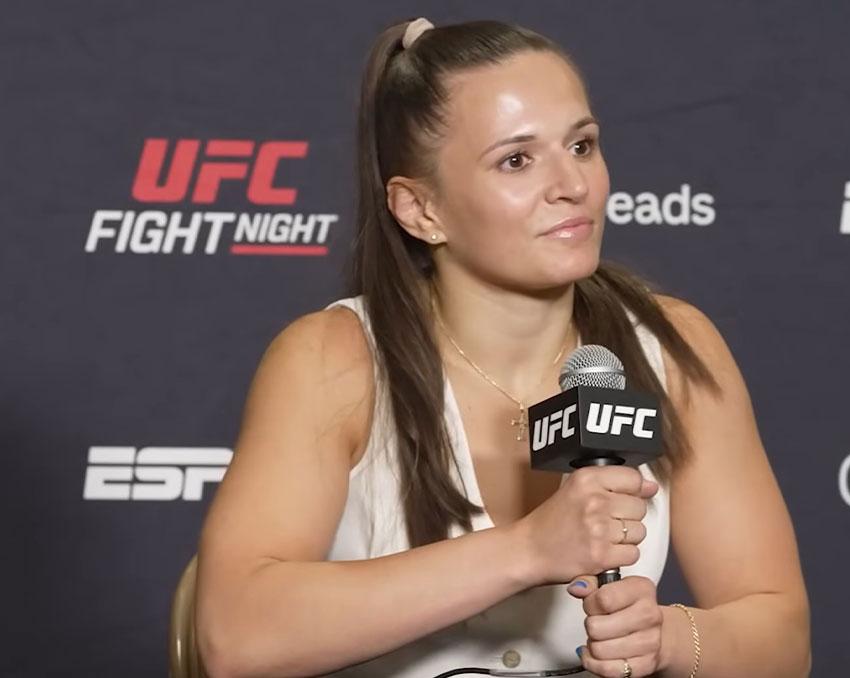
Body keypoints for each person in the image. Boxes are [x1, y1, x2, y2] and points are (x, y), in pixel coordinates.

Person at [195, 16, 811, 678]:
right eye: (517, 160)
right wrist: (527, 551)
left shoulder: (673, 346)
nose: (572, 185)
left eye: (581, 146)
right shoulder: (331, 358)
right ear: (420, 210)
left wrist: (668, 638)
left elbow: (781, 639)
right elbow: (235, 637)